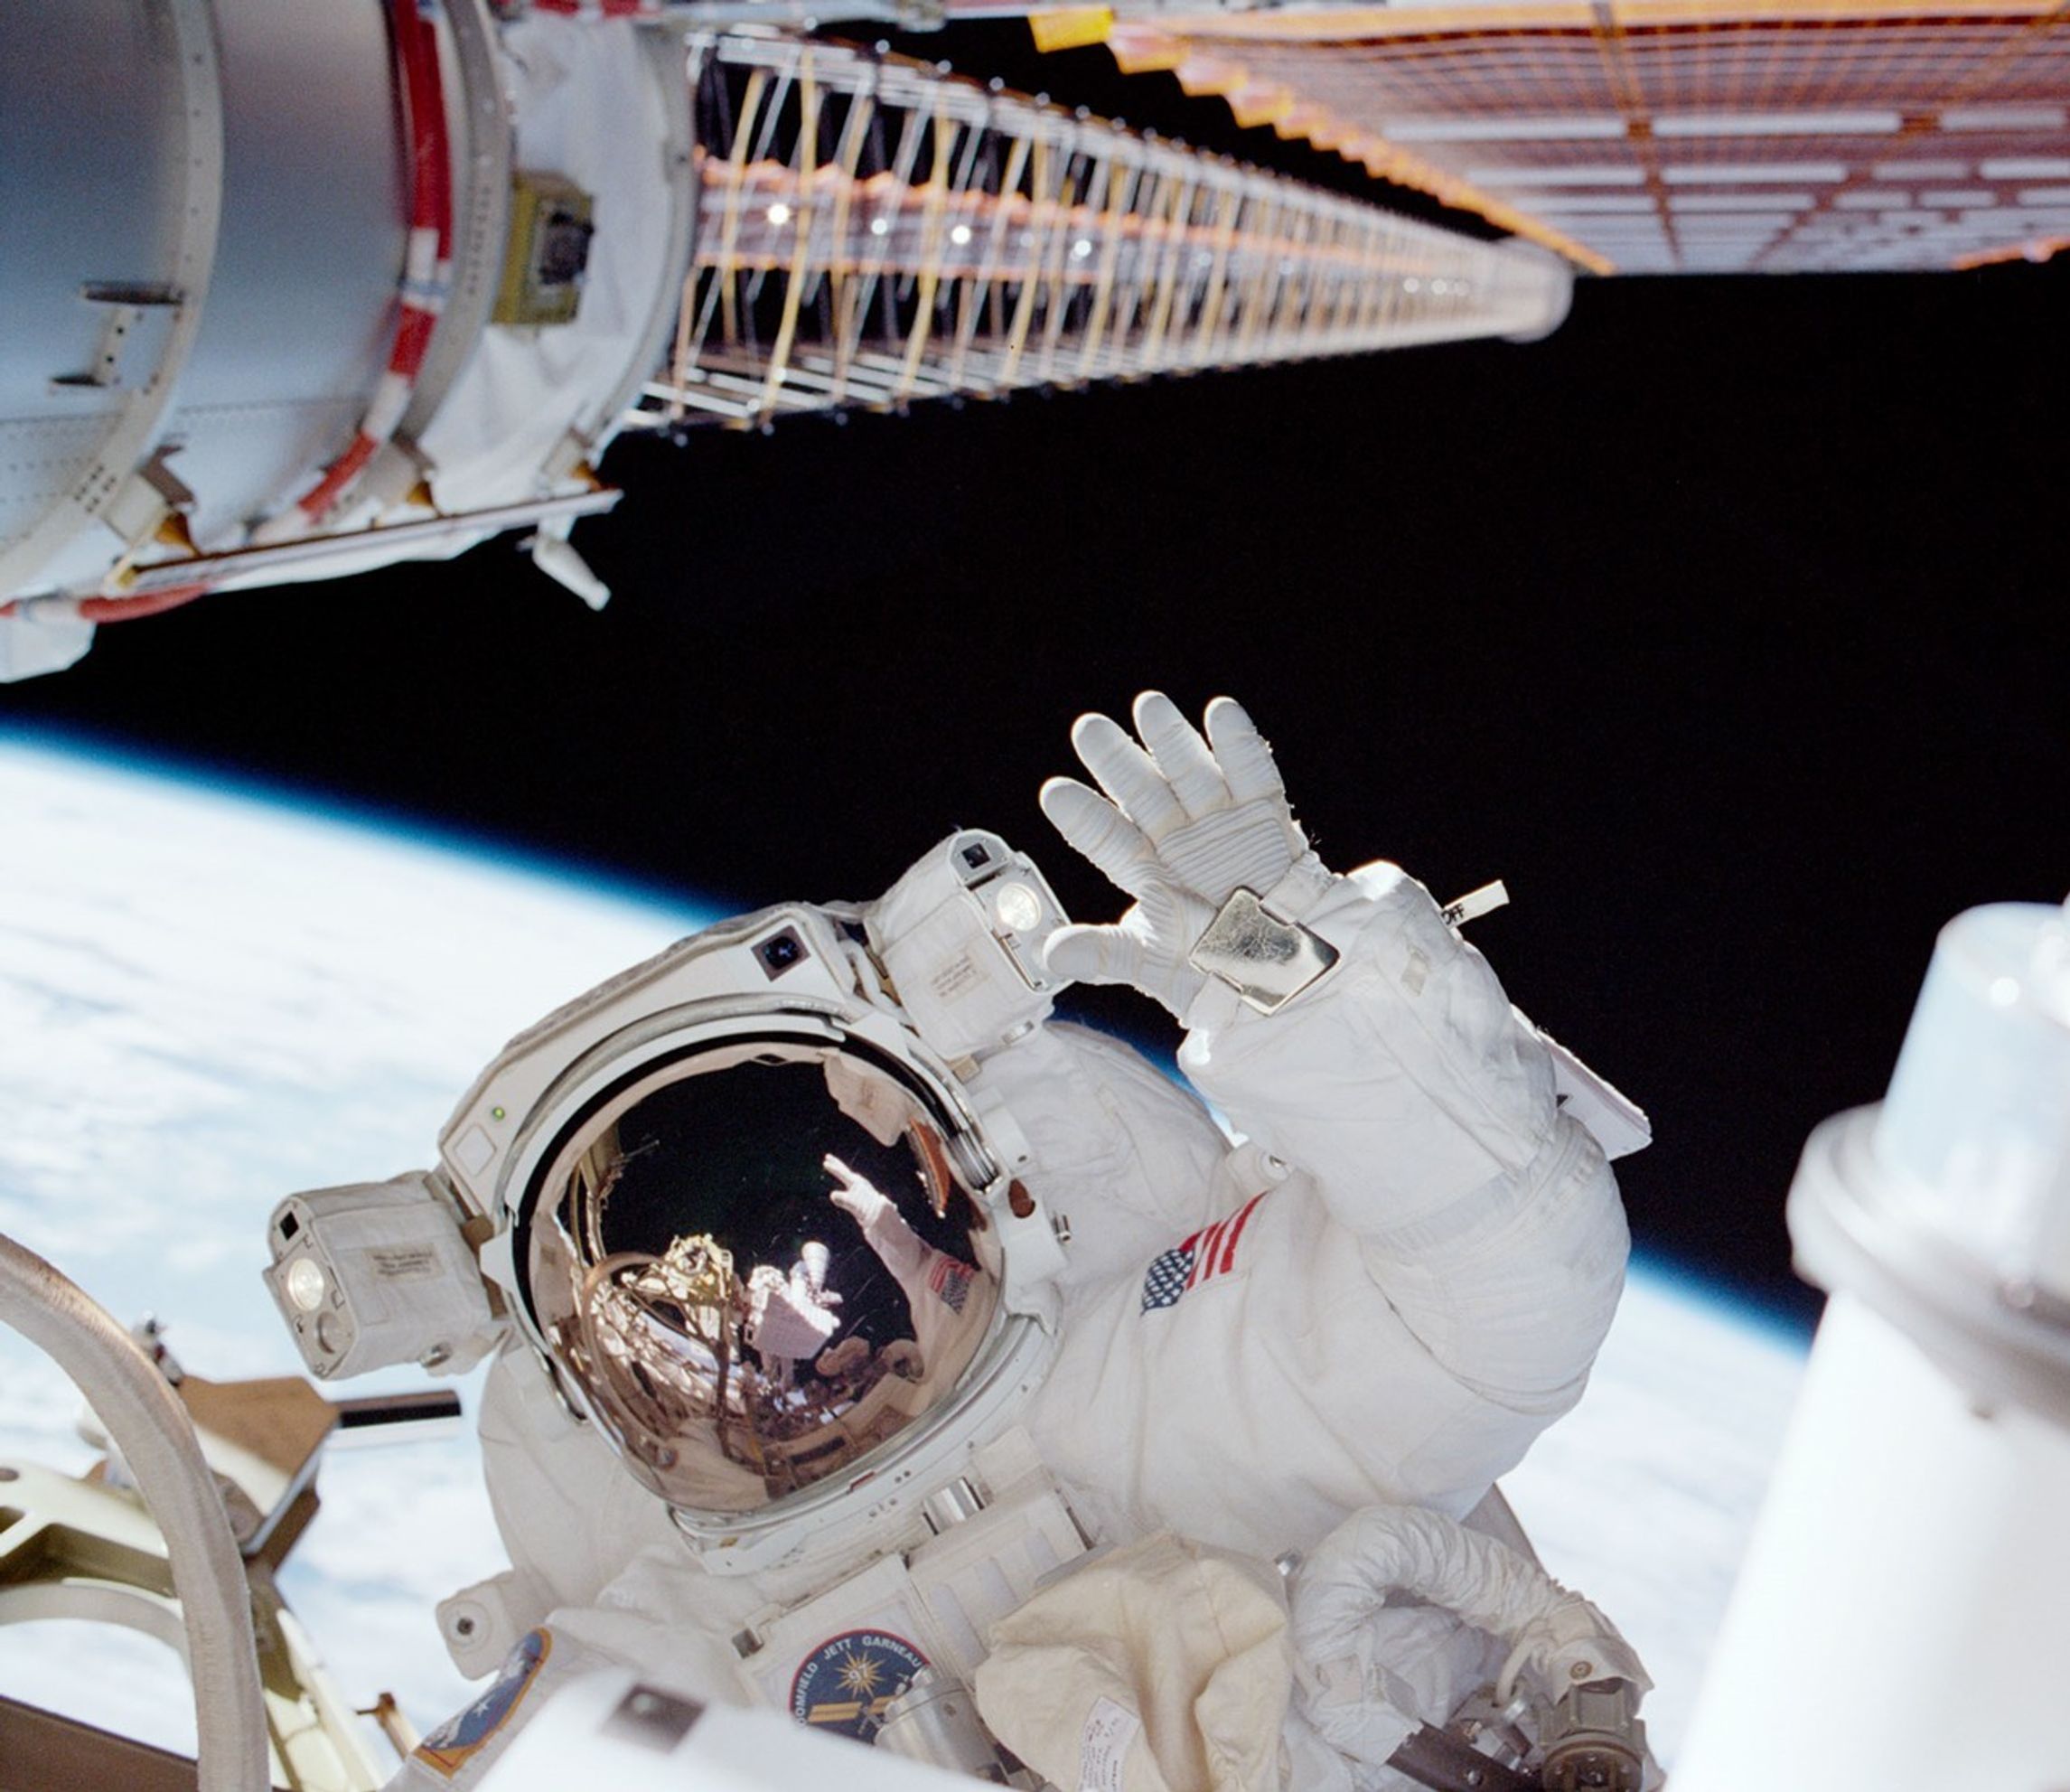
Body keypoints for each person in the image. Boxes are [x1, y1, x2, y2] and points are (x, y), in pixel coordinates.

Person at [381, 692, 1646, 1788]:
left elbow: (1509, 1292)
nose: (792, 1367)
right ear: (588, 1388)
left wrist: (1309, 978)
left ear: (987, 1187)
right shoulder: (674, 1643)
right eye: (660, 1336)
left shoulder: (1174, 1397)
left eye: (825, 1255)